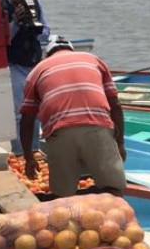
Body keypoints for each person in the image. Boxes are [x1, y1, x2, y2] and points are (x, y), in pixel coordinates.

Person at [19, 35, 127, 197]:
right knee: (114, 188)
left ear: (47, 55)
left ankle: (68, 210)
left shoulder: (36, 71)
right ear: (71, 49)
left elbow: (27, 120)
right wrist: (120, 144)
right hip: (98, 127)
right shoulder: (93, 60)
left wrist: (29, 158)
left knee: (63, 197)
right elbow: (115, 106)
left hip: (59, 133)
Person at [1, 0, 50, 154]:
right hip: (13, 64)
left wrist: (34, 26)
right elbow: (2, 40)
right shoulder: (1, 7)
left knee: (37, 109)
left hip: (33, 63)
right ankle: (20, 152)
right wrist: (15, 22)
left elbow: (46, 31)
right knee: (20, 111)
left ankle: (34, 150)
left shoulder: (35, 4)